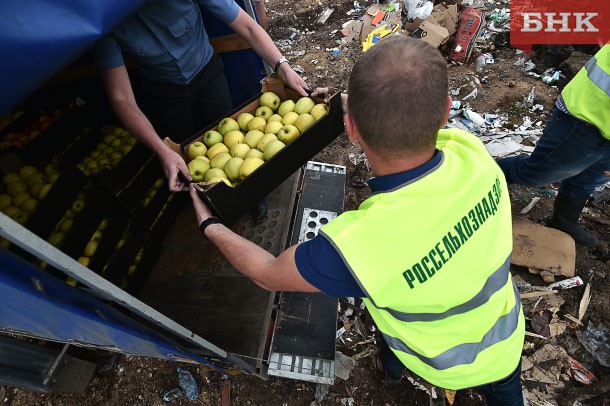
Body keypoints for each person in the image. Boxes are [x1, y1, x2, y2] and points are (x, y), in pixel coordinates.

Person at [190, 36, 525, 404]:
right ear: (446, 112)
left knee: (390, 316)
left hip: (437, 360)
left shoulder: (360, 247)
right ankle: (395, 367)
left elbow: (267, 273)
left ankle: (393, 371)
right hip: (505, 342)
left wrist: (211, 224)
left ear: (351, 130)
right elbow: (413, 117)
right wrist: (348, 107)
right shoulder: (472, 153)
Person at [92, 0, 314, 192]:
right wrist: (162, 150)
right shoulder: (103, 18)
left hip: (208, 73)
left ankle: (252, 193)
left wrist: (283, 67)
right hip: (164, 91)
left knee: (232, 131)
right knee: (186, 154)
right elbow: (122, 99)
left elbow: (247, 26)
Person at [499, 45, 609, 248]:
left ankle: (564, 221)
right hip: (585, 118)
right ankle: (485, 180)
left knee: (587, 180)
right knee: (536, 173)